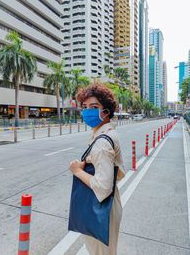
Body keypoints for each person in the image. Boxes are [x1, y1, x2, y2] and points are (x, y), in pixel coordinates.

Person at [69, 83, 125, 255]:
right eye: (84, 107)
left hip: (101, 209)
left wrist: (77, 171)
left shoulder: (101, 143)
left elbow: (103, 188)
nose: (87, 112)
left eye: (94, 107)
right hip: (108, 207)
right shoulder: (106, 134)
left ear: (106, 112)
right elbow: (118, 173)